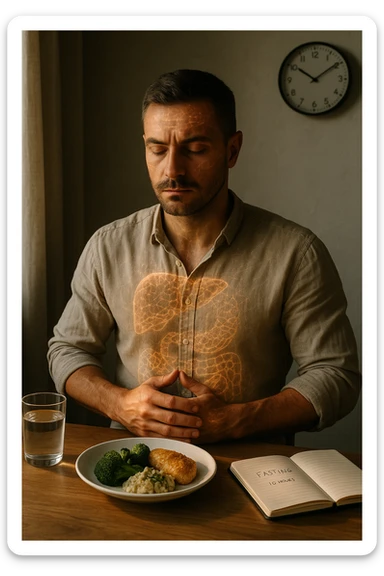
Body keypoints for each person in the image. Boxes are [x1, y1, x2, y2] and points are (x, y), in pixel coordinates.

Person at [47, 69, 361, 445]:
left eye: (195, 149)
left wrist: (237, 420)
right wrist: (120, 405)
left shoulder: (296, 253)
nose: (173, 170)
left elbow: (335, 373)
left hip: (254, 469)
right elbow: (67, 349)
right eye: (158, 149)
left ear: (232, 150)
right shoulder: (108, 246)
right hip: (134, 461)